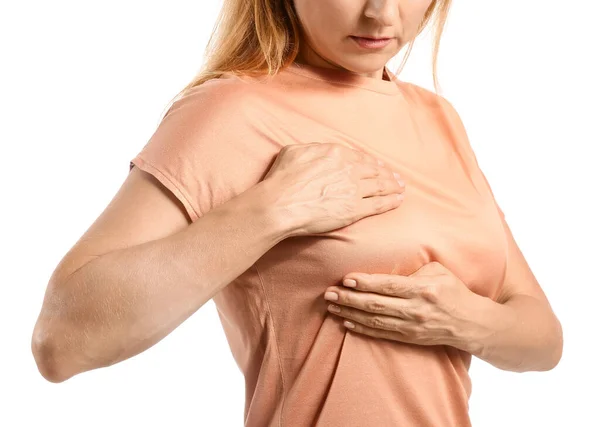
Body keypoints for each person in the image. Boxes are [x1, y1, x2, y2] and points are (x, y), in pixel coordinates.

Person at [31, 0, 563, 426]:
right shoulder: (232, 110)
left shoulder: (439, 117)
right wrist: (269, 212)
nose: (381, 13)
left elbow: (543, 339)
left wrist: (464, 321)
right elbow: (61, 343)